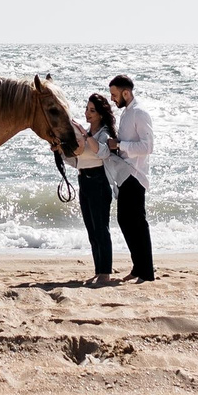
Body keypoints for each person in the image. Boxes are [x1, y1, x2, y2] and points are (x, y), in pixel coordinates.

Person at [107, 73, 155, 282]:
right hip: (125, 173)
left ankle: (147, 272)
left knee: (137, 222)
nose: (112, 99)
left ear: (126, 93)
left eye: (115, 94)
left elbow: (148, 147)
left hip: (136, 174)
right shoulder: (126, 113)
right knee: (125, 220)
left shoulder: (139, 113)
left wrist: (119, 145)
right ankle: (138, 267)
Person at [72, 92, 119, 284]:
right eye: (87, 109)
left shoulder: (103, 132)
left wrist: (85, 134)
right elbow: (77, 160)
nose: (88, 113)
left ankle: (105, 272)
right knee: (91, 229)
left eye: (92, 110)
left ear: (100, 114)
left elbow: (102, 152)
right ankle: (98, 268)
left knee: (101, 228)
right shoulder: (86, 133)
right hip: (84, 180)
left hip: (99, 181)